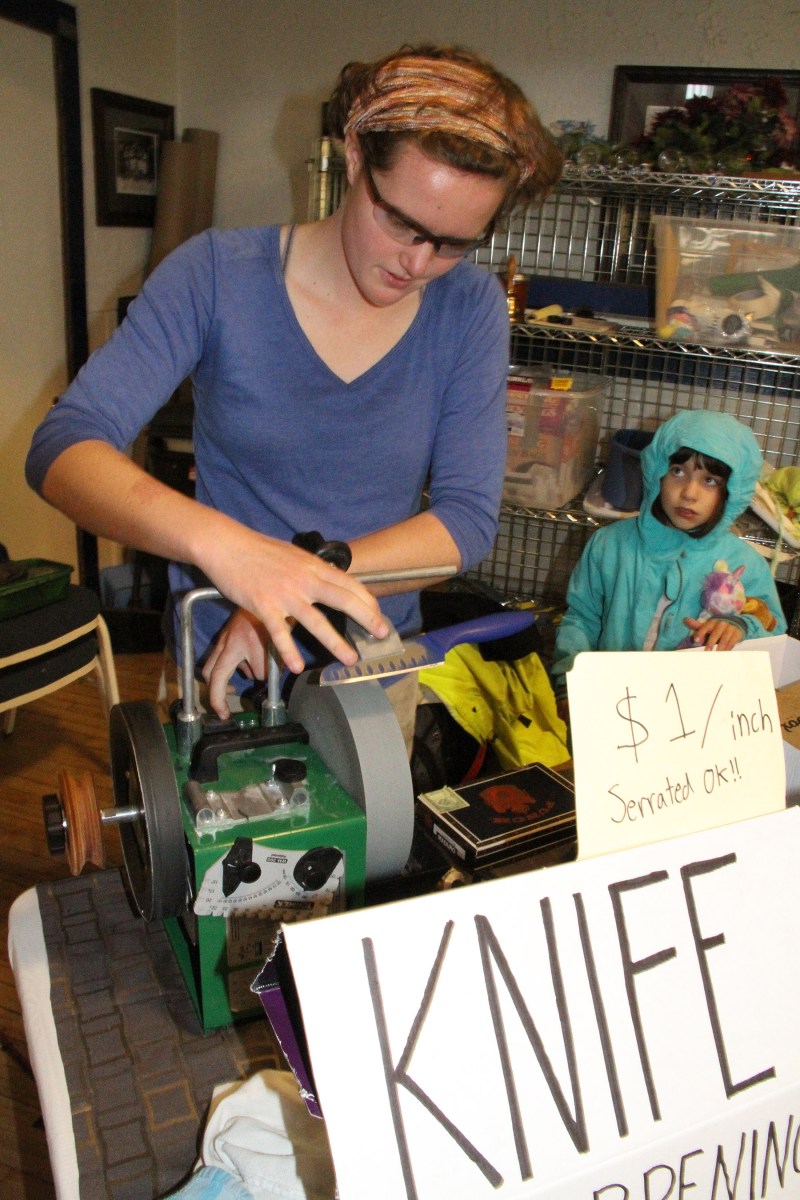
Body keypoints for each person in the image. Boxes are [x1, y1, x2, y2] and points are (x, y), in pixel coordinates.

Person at [26, 43, 562, 718]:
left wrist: (297, 584)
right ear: (355, 156)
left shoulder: (470, 307)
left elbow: (466, 519)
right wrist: (238, 557)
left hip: (371, 664)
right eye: (400, 222)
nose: (418, 262)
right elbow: (65, 449)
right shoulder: (215, 275)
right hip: (223, 669)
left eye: (454, 243)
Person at [551, 409, 787, 710]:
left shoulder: (745, 564)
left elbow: (771, 627)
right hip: (612, 705)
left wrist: (740, 626)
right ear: (657, 472)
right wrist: (570, 683)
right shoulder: (611, 545)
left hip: (696, 714)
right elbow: (581, 619)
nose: (689, 493)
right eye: (678, 471)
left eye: (710, 480)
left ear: (731, 492)